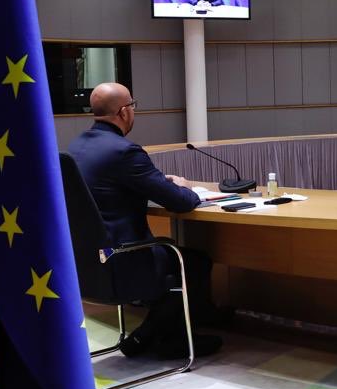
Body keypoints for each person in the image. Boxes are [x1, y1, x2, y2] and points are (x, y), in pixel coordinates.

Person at [68, 82, 223, 359]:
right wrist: (184, 185)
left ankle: (147, 335)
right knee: (195, 262)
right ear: (124, 112)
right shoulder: (125, 151)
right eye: (133, 106)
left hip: (87, 266)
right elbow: (181, 203)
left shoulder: (76, 148)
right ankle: (165, 338)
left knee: (180, 259)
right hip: (124, 261)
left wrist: (156, 182)